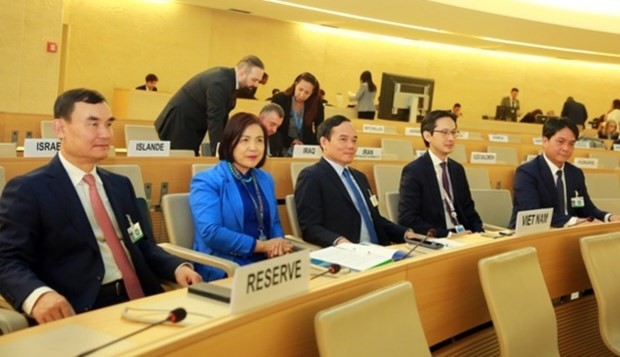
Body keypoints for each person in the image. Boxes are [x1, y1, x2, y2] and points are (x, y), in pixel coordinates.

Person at [0, 88, 202, 324]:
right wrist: (38, 296)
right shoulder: (29, 190)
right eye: (93, 124)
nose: (106, 134)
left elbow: (140, 243)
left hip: (144, 298)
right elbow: (6, 260)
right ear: (60, 128)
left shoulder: (119, 185)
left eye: (108, 124)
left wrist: (175, 267)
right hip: (82, 306)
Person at [189, 112, 293, 281]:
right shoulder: (207, 180)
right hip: (225, 263)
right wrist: (262, 246)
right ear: (230, 142)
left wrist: (278, 243)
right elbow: (211, 232)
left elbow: (273, 222)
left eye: (260, 140)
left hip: (266, 259)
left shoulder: (265, 178)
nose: (254, 147)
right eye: (245, 140)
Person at [295, 115, 416, 247]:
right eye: (343, 140)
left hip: (379, 250)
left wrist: (406, 234)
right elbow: (311, 228)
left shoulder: (360, 177)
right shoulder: (312, 176)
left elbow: (375, 219)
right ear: (324, 142)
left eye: (354, 140)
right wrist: (340, 242)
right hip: (347, 254)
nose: (351, 146)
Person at [509, 117, 620, 228]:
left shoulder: (575, 174)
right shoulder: (527, 172)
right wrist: (575, 221)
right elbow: (534, 214)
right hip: (529, 235)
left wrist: (608, 217)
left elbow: (584, 208)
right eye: (560, 142)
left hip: (566, 233)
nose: (566, 148)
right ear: (545, 141)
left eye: (571, 143)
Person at [155, 55, 265, 156]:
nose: (255, 85)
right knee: (181, 164)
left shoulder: (229, 80)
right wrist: (220, 151)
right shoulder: (220, 82)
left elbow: (222, 116)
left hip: (190, 125)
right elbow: (215, 118)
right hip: (179, 124)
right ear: (241, 74)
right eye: (254, 80)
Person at [398, 110, 484, 238]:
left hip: (464, 236)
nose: (451, 138)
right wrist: (448, 235)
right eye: (444, 132)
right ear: (428, 136)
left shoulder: (457, 169)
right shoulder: (414, 171)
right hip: (439, 238)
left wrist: (479, 233)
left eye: (454, 132)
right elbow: (407, 218)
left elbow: (469, 210)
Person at [270, 72, 324, 157]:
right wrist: (291, 141)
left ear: (312, 93)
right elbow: (274, 126)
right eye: (300, 89)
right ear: (295, 84)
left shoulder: (316, 104)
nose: (302, 95)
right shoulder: (280, 99)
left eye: (307, 93)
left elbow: (320, 127)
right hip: (283, 143)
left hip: (306, 147)